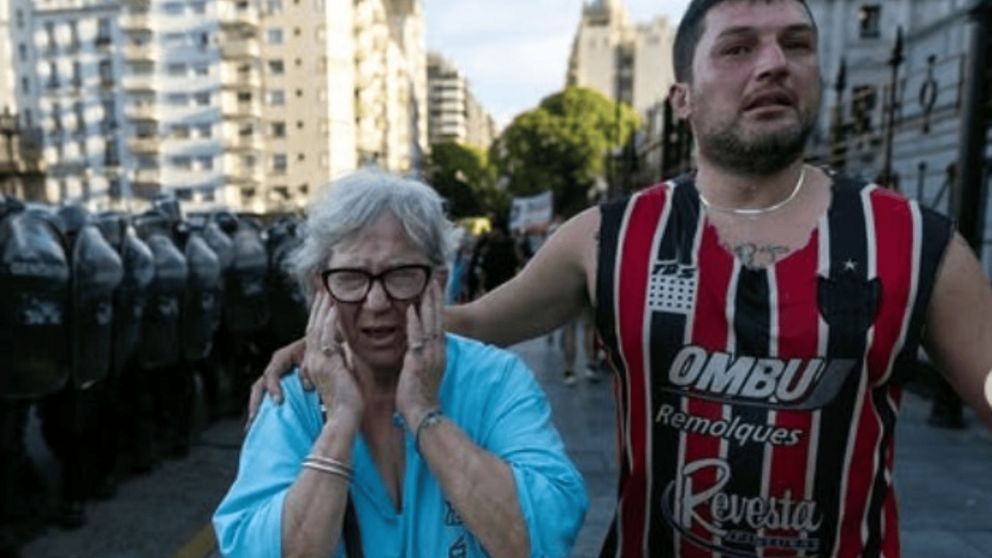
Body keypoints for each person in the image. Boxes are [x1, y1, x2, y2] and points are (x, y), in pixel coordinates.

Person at [249, 1, 992, 556]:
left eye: (796, 44)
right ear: (682, 99)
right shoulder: (607, 237)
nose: (773, 63)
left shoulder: (911, 240)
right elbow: (460, 317)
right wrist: (324, 339)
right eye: (737, 48)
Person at [214, 171, 587, 557]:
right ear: (320, 288)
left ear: (438, 284)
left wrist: (423, 411)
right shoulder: (294, 400)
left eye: (402, 275)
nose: (376, 303)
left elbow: (543, 536)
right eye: (352, 278)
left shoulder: (495, 379)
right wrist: (340, 422)